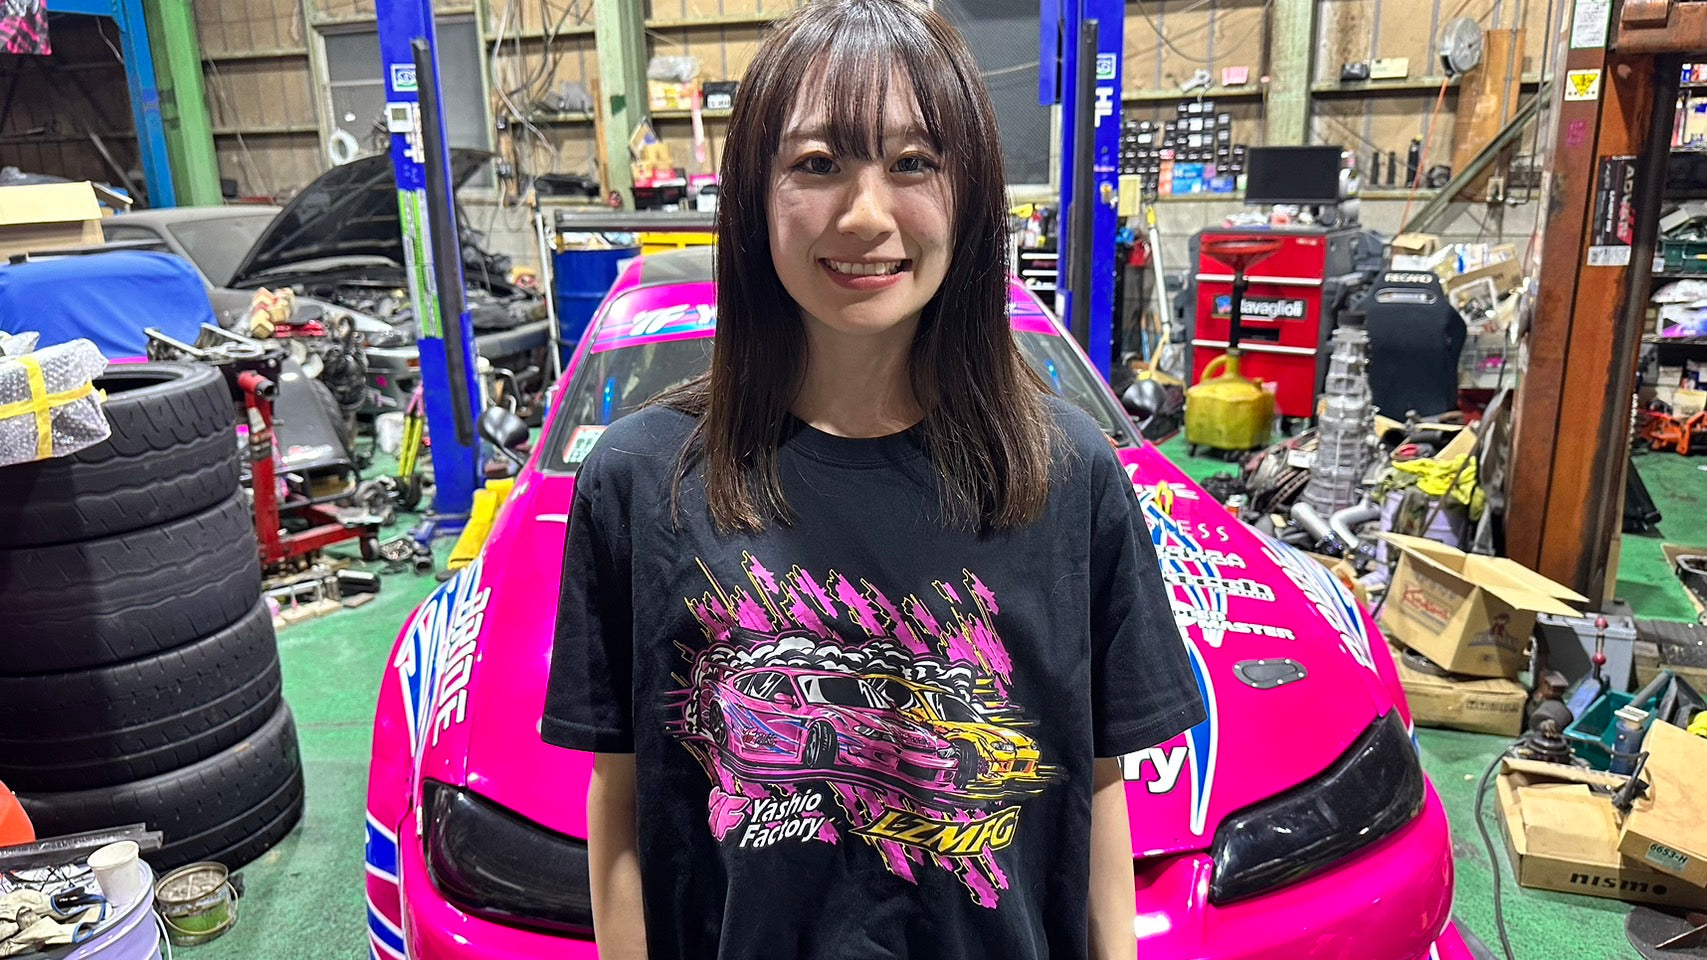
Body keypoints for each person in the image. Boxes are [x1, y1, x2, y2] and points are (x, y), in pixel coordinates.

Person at [542, 1, 1206, 957]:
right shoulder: (638, 479)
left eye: (913, 162)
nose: (864, 214)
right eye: (817, 164)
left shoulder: (1067, 472)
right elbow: (620, 803)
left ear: (970, 194)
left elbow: (1096, 789)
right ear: (754, 195)